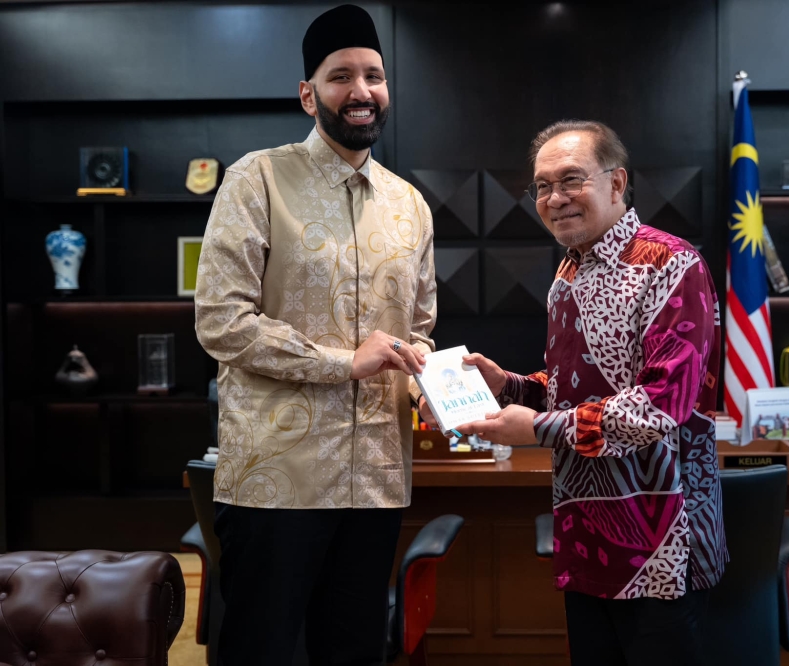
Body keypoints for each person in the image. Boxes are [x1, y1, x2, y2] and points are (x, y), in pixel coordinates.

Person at [193, 5, 436, 664]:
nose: (362, 91)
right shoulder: (257, 179)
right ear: (309, 95)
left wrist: (436, 379)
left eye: (374, 76)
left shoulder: (410, 205)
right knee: (261, 651)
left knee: (354, 653)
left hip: (377, 480)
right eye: (341, 76)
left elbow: (418, 329)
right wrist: (343, 363)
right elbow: (220, 320)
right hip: (278, 479)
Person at [456, 120, 726, 666]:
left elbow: (661, 405)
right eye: (543, 186)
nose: (555, 198)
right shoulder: (567, 274)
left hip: (662, 545)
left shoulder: (670, 263)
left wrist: (537, 430)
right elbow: (571, 392)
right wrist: (508, 386)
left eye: (571, 180)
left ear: (616, 183)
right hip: (586, 538)